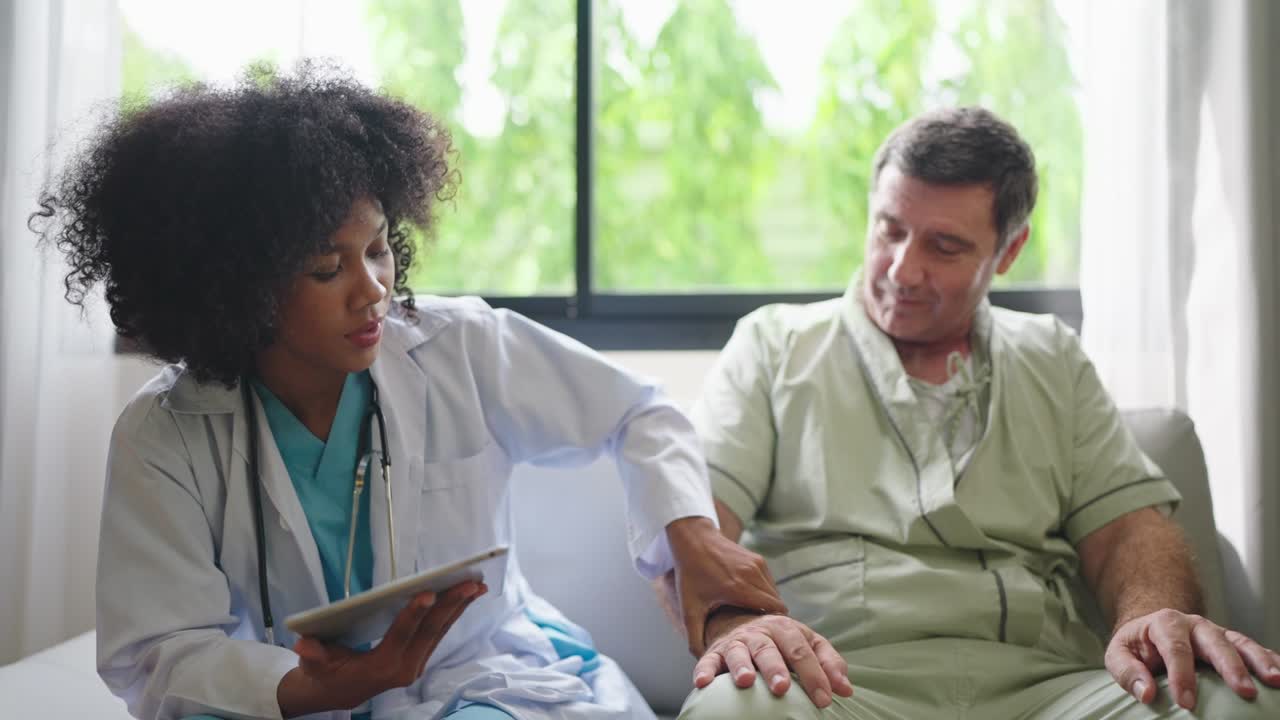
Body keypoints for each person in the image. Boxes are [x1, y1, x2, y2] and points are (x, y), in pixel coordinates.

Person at [30, 63, 829, 720]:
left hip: (487, 683)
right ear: (235, 288)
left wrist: (692, 538)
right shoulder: (164, 434)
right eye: (326, 268)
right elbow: (159, 652)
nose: (373, 290)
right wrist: (314, 687)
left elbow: (638, 411)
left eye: (378, 249)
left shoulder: (459, 347)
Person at [676, 107, 1280, 719]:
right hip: (834, 683)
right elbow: (691, 522)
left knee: (1240, 703)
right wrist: (738, 622)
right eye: (889, 229)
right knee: (736, 707)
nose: (902, 269)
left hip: (1050, 688)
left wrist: (1152, 617)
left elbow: (1129, 531)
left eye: (944, 246)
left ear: (1009, 250)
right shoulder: (773, 346)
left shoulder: (1053, 356)